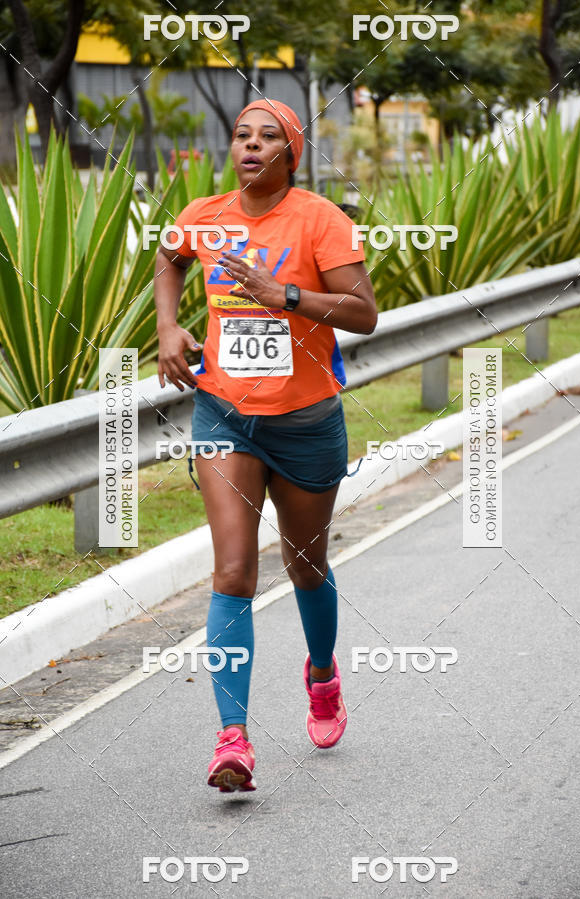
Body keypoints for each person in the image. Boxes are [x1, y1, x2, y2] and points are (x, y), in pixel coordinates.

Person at [153, 99, 377, 793]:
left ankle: (321, 674)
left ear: (291, 152)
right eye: (242, 135)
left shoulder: (320, 220)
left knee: (306, 565)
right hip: (224, 413)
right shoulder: (202, 213)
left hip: (307, 420)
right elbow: (168, 257)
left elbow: (364, 313)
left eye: (268, 137)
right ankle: (234, 739)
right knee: (232, 573)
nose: (251, 146)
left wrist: (286, 295)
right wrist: (168, 328)